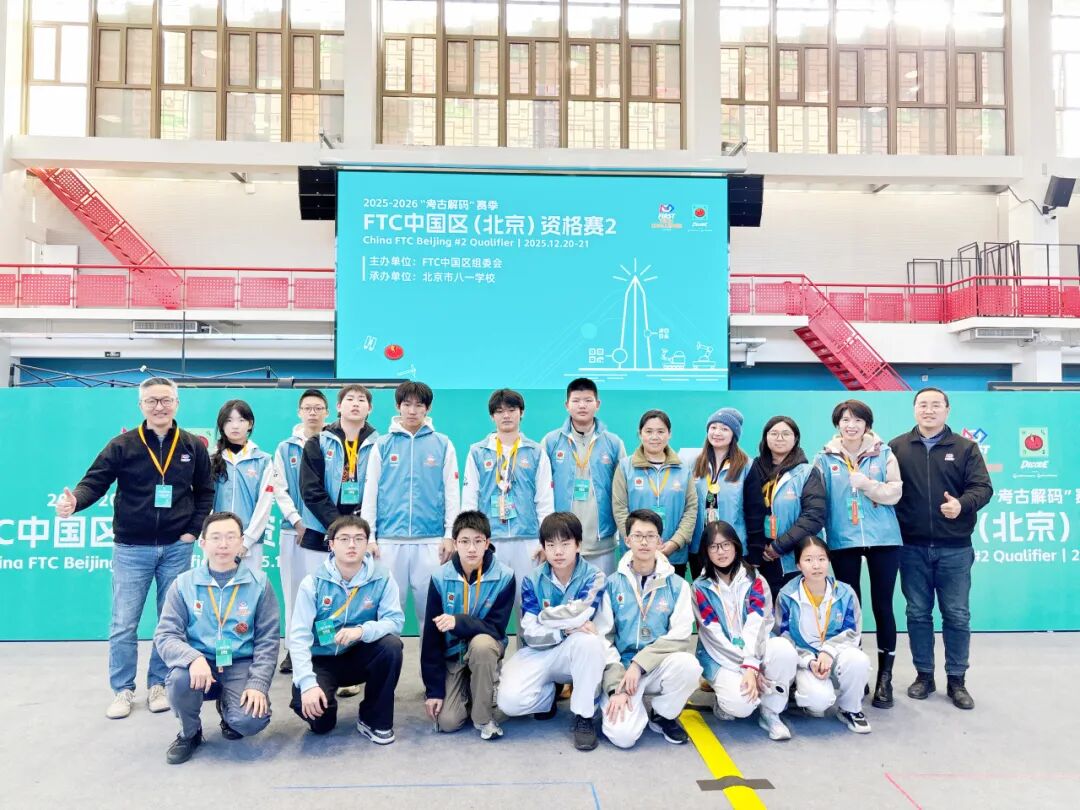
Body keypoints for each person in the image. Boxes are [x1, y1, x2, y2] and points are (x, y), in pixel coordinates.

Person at [55, 376, 215, 720]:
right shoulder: (123, 445)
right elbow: (94, 482)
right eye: (152, 401)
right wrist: (75, 502)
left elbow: (205, 492)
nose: (159, 407)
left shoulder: (192, 445)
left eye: (166, 400)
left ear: (176, 403)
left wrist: (192, 530)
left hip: (176, 547)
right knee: (124, 624)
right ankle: (123, 690)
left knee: (171, 622)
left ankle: (159, 684)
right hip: (131, 548)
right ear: (141, 405)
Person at [889, 387, 993, 710]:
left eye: (936, 405)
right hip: (911, 547)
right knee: (917, 613)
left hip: (955, 548)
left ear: (947, 410)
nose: (929, 410)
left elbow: (983, 488)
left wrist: (962, 504)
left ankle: (957, 679)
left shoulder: (965, 448)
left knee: (957, 615)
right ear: (914, 409)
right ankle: (924, 675)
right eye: (923, 404)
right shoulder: (896, 448)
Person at [153, 511, 279, 764]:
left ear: (241, 542)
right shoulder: (183, 584)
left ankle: (229, 710)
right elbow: (165, 635)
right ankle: (190, 733)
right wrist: (192, 658)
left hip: (240, 663)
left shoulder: (259, 583)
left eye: (231, 537)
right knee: (179, 680)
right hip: (200, 666)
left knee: (251, 720)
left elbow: (268, 640)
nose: (223, 544)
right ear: (203, 543)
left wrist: (258, 684)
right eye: (216, 537)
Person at [816, 399, 904, 709]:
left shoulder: (884, 453)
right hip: (843, 539)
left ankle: (885, 678)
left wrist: (867, 484)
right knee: (850, 609)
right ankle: (858, 672)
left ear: (867, 424)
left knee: (883, 606)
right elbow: (819, 500)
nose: (851, 425)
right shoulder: (824, 458)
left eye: (857, 420)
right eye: (845, 420)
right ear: (837, 424)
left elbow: (895, 492)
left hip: (884, 538)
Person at [287, 516, 405, 742]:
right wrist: (308, 684)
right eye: (344, 539)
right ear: (331, 545)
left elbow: (395, 620)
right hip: (321, 660)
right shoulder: (313, 582)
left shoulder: (382, 577)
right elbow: (299, 637)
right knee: (319, 721)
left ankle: (373, 718)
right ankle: (324, 703)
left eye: (359, 539)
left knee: (391, 646)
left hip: (358, 655)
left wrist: (362, 631)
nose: (352, 545)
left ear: (367, 543)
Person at [496, 512, 607, 752]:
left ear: (578, 545)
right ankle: (548, 696)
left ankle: (584, 716)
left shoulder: (595, 577)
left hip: (574, 649)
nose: (558, 552)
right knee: (509, 702)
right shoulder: (531, 580)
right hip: (541, 650)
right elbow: (529, 632)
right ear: (543, 548)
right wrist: (565, 630)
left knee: (589, 642)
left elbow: (581, 615)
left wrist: (544, 617)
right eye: (551, 545)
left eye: (565, 544)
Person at [300, 384, 379, 698]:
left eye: (362, 400)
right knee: (323, 606)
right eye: (350, 399)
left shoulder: (380, 444)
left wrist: (360, 531)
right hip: (323, 534)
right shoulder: (318, 442)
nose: (355, 404)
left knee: (357, 605)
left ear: (370, 409)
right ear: (339, 406)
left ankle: (352, 670)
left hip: (364, 535)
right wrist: (340, 528)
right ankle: (322, 668)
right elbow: (311, 490)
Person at [598, 510, 701, 749]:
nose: (644, 542)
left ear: (659, 541)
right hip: (622, 669)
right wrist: (616, 685)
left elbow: (680, 636)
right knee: (623, 738)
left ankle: (662, 714)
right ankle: (629, 708)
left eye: (650, 536)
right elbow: (604, 638)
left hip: (656, 667)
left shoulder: (678, 586)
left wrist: (640, 664)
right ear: (627, 540)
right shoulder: (612, 584)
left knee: (689, 665)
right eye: (638, 536)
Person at [362, 381, 460, 631]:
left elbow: (452, 492)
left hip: (431, 541)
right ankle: (385, 658)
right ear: (398, 406)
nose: (413, 411)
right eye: (407, 404)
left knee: (432, 614)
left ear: (428, 408)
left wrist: (450, 535)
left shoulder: (443, 444)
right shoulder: (382, 444)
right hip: (388, 541)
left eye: (419, 405)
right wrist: (370, 537)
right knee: (386, 612)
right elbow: (371, 492)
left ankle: (432, 660)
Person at [691, 520, 791, 741]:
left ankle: (770, 713)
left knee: (783, 649)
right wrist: (746, 668)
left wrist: (751, 665)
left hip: (754, 651)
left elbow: (759, 624)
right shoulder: (700, 587)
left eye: (726, 544)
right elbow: (713, 635)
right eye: (714, 546)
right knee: (741, 705)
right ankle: (723, 701)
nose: (721, 551)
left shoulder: (755, 580)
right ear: (706, 551)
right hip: (719, 655)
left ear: (736, 546)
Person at [421, 511, 515, 740]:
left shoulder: (505, 576)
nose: (471, 549)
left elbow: (496, 628)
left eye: (478, 541)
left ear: (487, 543)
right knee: (448, 722)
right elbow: (431, 639)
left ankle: (483, 718)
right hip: (452, 656)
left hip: (485, 649)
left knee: (482, 645)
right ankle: (470, 689)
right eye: (464, 541)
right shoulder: (440, 577)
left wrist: (458, 622)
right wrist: (434, 691)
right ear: (455, 544)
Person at [771, 536, 871, 733]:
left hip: (835, 656)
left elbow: (852, 632)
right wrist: (809, 661)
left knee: (859, 660)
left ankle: (850, 709)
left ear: (829, 561)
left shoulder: (845, 592)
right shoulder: (787, 595)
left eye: (821, 559)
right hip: (805, 660)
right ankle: (800, 689)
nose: (816, 565)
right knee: (818, 703)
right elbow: (782, 636)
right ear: (798, 565)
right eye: (808, 560)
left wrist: (828, 652)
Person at [462, 388, 553, 603]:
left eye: (511, 410)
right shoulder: (478, 452)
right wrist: (472, 540)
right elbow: (470, 499)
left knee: (528, 602)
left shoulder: (536, 452)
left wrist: (545, 540)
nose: (506, 415)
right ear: (492, 416)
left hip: (528, 540)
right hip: (491, 540)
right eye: (499, 411)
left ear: (521, 413)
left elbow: (544, 501)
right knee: (489, 603)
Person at [541, 378, 628, 576]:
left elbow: (622, 492)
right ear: (567, 405)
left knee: (600, 593)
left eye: (588, 400)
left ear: (597, 404)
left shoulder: (613, 443)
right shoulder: (551, 442)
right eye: (576, 400)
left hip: (601, 542)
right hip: (561, 542)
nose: (582, 405)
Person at [272, 388, 329, 675]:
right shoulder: (285, 448)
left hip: (326, 532)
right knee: (294, 594)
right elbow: (279, 489)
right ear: (299, 412)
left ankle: (326, 647)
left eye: (318, 408)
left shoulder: (334, 444)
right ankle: (294, 651)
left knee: (326, 594)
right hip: (293, 532)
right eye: (308, 408)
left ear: (327, 412)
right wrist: (296, 521)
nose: (313, 413)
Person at [743, 415, 826, 599]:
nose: (779, 438)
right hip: (758, 557)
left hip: (794, 558)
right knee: (763, 610)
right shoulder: (751, 469)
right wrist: (758, 547)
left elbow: (813, 516)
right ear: (765, 438)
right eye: (774, 433)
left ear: (795, 439)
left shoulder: (807, 472)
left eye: (786, 434)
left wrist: (778, 547)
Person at [612, 410, 698, 576]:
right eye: (649, 431)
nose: (655, 437)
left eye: (660, 431)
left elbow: (691, 509)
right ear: (640, 434)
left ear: (669, 434)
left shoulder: (683, 468)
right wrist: (637, 542)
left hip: (673, 555)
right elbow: (619, 508)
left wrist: (675, 543)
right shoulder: (625, 467)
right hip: (635, 555)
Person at [209, 399, 275, 572]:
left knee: (249, 586)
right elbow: (204, 501)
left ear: (250, 424)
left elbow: (264, 504)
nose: (235, 426)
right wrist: (208, 535)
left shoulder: (263, 460)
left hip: (250, 544)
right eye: (229, 420)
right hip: (216, 540)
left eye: (241, 420)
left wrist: (247, 541)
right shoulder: (211, 459)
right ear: (222, 425)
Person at [690, 408, 750, 580]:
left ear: (734, 435)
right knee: (703, 592)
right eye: (713, 427)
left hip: (732, 547)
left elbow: (753, 510)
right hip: (700, 546)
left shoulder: (746, 466)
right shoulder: (694, 464)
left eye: (724, 429)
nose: (717, 433)